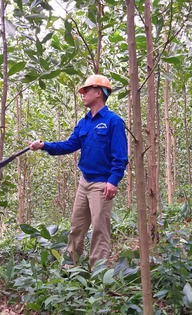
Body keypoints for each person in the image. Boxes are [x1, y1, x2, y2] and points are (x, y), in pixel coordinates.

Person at [29, 74, 128, 268]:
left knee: (100, 229)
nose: (82, 95)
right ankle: (70, 266)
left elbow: (120, 155)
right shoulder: (84, 123)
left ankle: (97, 271)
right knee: (76, 227)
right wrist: (44, 145)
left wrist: (113, 180)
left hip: (102, 184)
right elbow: (70, 145)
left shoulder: (113, 121)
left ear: (98, 93)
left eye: (86, 91)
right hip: (85, 182)